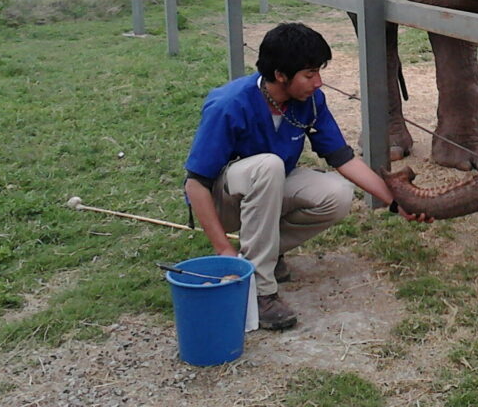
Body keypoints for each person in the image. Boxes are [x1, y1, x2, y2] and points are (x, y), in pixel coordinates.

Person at [184, 22, 430, 330]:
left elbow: (343, 159)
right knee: (269, 165)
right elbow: (195, 185)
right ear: (280, 75)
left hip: (267, 190)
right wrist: (223, 249)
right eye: (310, 74)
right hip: (225, 204)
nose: (319, 82)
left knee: (337, 194)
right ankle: (261, 293)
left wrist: (397, 202)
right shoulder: (229, 105)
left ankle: (266, 256)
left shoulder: (309, 101)